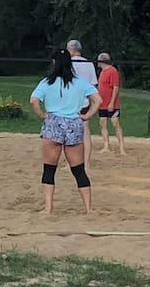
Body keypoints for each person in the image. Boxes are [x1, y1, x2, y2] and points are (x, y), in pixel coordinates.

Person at [32, 48, 100, 215]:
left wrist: (42, 115)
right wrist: (87, 115)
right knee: (78, 170)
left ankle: (48, 208)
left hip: (53, 123)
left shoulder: (47, 82)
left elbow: (34, 101)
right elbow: (98, 100)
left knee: (49, 169)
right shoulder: (80, 82)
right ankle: (88, 209)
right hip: (73, 123)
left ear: (54, 63)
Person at [95, 51, 125, 157]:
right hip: (102, 103)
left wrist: (112, 103)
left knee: (115, 123)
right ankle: (106, 146)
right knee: (103, 123)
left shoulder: (112, 71)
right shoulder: (102, 72)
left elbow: (115, 88)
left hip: (112, 104)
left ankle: (122, 148)